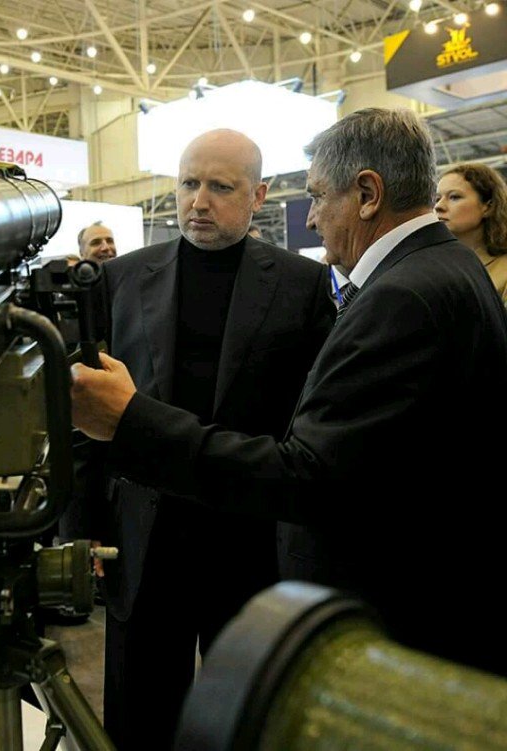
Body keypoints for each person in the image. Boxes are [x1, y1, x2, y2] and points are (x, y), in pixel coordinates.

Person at [71, 108, 507, 685]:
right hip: (159, 545)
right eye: (188, 183)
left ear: (368, 195)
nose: (311, 219)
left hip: (388, 609)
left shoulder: (399, 295)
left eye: (318, 197)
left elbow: (310, 472)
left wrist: (131, 420)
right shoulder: (446, 268)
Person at [77, 128, 335, 750]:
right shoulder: (123, 278)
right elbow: (87, 412)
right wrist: (80, 527)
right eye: (189, 183)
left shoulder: (302, 285)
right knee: (140, 714)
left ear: (258, 196)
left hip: (248, 536)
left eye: (220, 187)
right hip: (144, 535)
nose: (199, 201)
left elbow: (308, 420)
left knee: (246, 714)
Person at [435, 162, 507, 305]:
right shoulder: (435, 267)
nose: (438, 206)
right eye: (437, 199)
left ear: (488, 206)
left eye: (454, 197)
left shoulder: (503, 271)